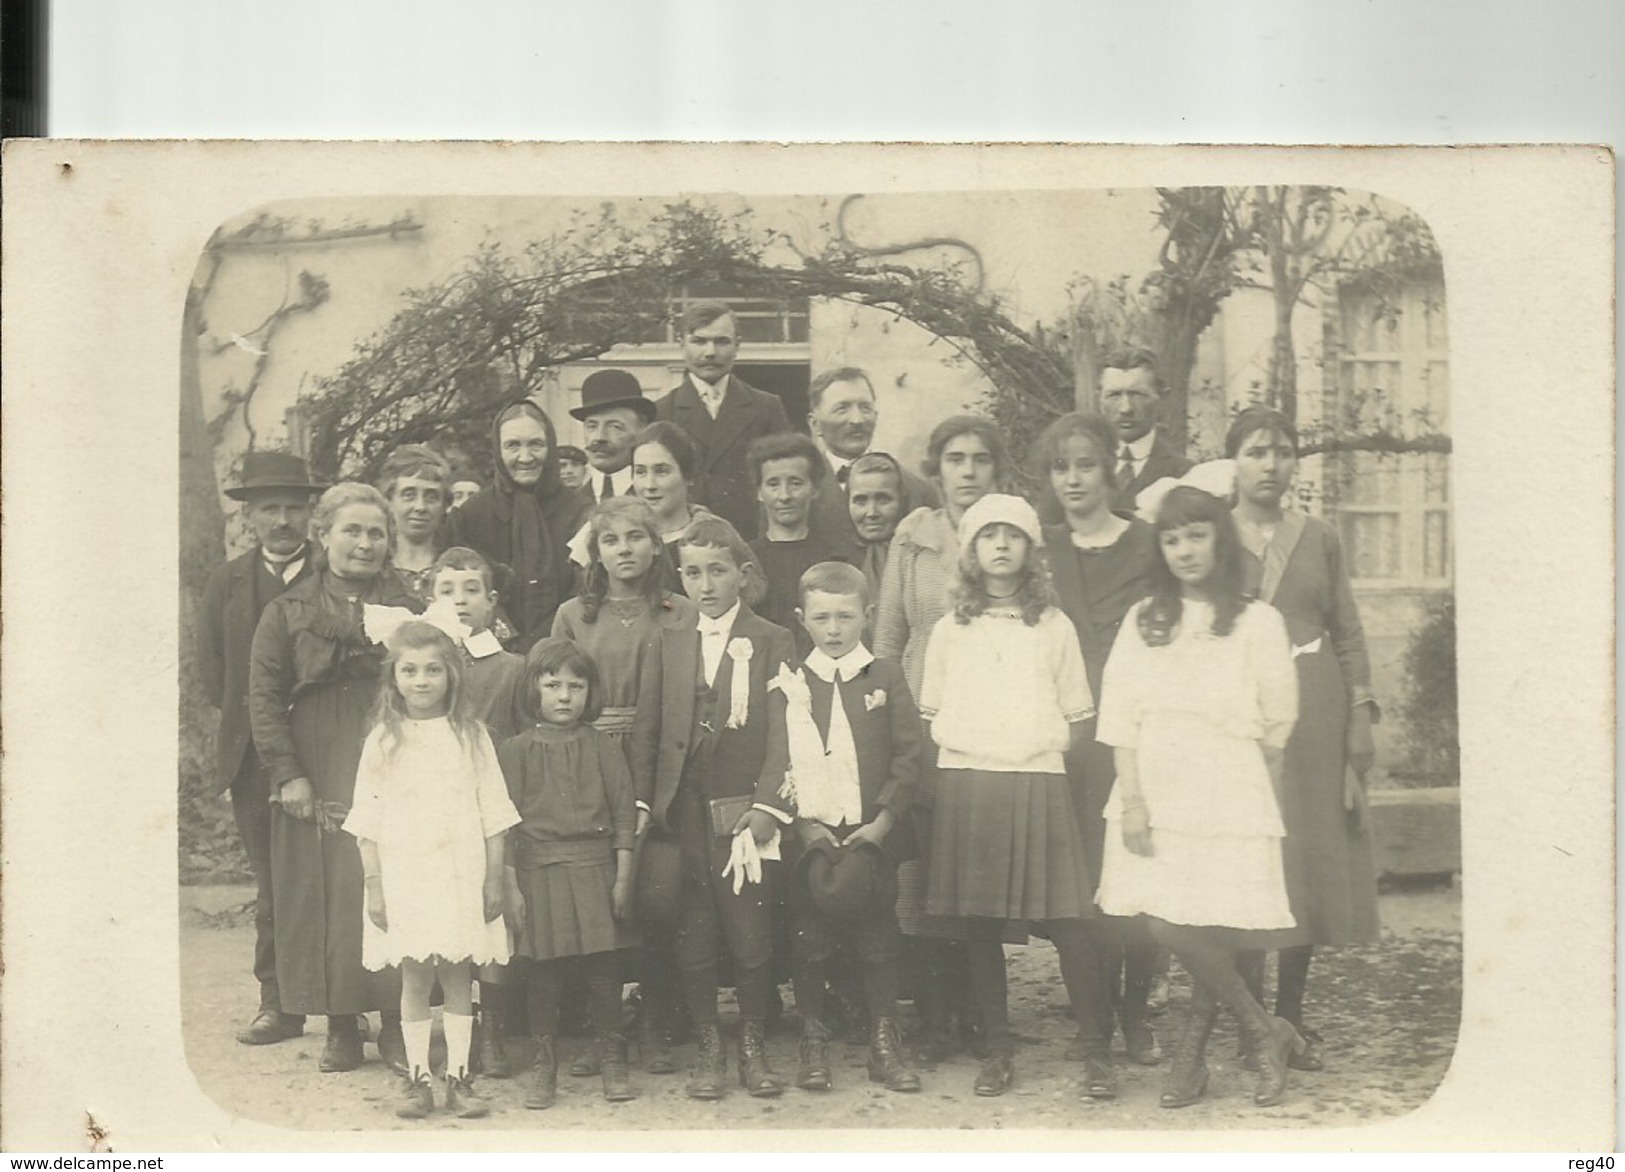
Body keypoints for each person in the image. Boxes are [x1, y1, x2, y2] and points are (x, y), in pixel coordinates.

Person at [1094, 483, 1306, 1110]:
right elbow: (1119, 717)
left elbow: (1278, 724)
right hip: (1155, 789)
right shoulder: (1144, 619)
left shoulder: (1258, 623)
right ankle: (1266, 1032)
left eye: (1196, 534)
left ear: (1219, 538)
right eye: (1171, 537)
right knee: (1167, 919)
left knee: (1219, 924)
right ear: (1160, 548)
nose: (1184, 549)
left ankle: (1190, 1059)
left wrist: (1243, 795)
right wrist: (1132, 801)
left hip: (1231, 791)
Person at [918, 494, 1112, 1098]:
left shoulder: (1054, 625)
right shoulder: (951, 628)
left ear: (1032, 549)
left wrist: (1033, 747)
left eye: (1014, 535)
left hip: (1038, 779)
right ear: (971, 551)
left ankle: (1097, 1049)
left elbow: (1078, 712)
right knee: (979, 921)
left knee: (1069, 918)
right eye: (987, 535)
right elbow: (934, 710)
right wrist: (982, 745)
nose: (1000, 545)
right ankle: (997, 1046)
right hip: (970, 780)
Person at [1227, 406, 1381, 1072]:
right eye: (1256, 451)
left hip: (1313, 714)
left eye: (1282, 452)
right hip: (1238, 717)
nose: (1270, 464)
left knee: (1302, 866)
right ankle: (1246, 1021)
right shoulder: (1208, 533)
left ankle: (1288, 1018)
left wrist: (1358, 721)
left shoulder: (1317, 536)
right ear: (1232, 459)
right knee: (1247, 860)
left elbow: (1345, 631)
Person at [248, 482, 421, 1073]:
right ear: (323, 535)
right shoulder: (287, 610)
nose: (365, 543)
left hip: (393, 750)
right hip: (318, 757)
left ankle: (400, 1022)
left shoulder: (411, 606)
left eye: (377, 532)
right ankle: (341, 1026)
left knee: (395, 885)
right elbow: (264, 698)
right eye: (352, 530)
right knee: (328, 892)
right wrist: (289, 775)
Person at [628, 515, 796, 1101]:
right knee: (692, 931)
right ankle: (707, 1044)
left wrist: (771, 805)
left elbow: (786, 732)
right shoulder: (666, 639)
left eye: (718, 571)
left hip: (743, 814)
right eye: (693, 572)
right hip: (682, 815)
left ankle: (751, 1043)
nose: (705, 585)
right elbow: (648, 731)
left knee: (750, 932)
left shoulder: (772, 638)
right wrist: (646, 804)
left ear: (743, 575)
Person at [873, 414, 1014, 1062]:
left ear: (994, 470)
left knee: (976, 867)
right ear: (936, 470)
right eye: (953, 458)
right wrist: (891, 719)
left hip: (988, 719)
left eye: (978, 459)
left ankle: (983, 1017)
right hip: (922, 717)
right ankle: (933, 1018)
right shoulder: (913, 535)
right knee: (924, 871)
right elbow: (889, 635)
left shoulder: (1012, 533)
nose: (965, 471)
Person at [344, 619, 521, 1119]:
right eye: (410, 671)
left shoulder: (472, 736)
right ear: (393, 678)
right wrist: (375, 886)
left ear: (452, 676)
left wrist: (493, 876)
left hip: (462, 873)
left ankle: (460, 1080)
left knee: (460, 974)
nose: (421, 681)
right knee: (416, 977)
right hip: (407, 877)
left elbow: (495, 814)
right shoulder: (383, 740)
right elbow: (367, 821)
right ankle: (419, 1080)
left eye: (432, 670)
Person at [550, 497, 699, 1077]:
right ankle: (605, 1031)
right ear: (596, 550)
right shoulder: (574, 614)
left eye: (636, 537)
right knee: (597, 899)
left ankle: (657, 1023)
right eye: (611, 540)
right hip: (591, 760)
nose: (625, 550)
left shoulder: (678, 611)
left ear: (656, 544)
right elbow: (557, 685)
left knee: (656, 894)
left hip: (662, 762)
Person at [763, 561, 924, 1095]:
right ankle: (814, 1040)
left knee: (878, 935)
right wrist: (803, 826)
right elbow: (779, 756)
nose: (834, 629)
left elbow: (907, 755)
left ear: (867, 617)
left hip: (869, 829)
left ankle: (884, 1041)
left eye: (846, 617)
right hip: (812, 832)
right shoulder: (792, 680)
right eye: (822, 617)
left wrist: (883, 821)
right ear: (802, 620)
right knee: (810, 939)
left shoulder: (884, 676)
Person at [1035, 413, 1164, 1069]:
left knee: (1137, 873)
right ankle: (1091, 1025)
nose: (1074, 478)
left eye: (1085, 464)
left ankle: (1136, 1013)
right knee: (1077, 885)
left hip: (1137, 731)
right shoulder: (1040, 545)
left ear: (1110, 469)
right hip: (1067, 736)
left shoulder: (1146, 543)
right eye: (1061, 467)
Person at [199, 450, 325, 1046]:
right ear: (249, 516)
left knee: (342, 876)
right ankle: (278, 1004)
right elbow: (211, 671)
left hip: (329, 749)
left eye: (293, 508)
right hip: (253, 756)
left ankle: (357, 1005)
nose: (282, 520)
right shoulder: (226, 582)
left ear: (311, 513)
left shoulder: (333, 572)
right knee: (273, 884)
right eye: (270, 508)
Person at [499, 639, 640, 1109]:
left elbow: (623, 815)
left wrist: (622, 877)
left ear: (589, 692)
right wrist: (511, 886)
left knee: (604, 968)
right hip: (539, 871)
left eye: (575, 686)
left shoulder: (602, 746)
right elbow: (506, 824)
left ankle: (612, 1054)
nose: (564, 696)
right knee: (544, 972)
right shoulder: (515, 751)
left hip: (596, 867)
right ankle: (545, 1061)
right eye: (552, 684)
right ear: (533, 689)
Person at [426, 546, 528, 1076]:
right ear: (429, 600)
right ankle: (430, 1028)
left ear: (492, 602)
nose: (459, 601)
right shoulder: (422, 668)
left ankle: (493, 1030)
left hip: (489, 811)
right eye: (446, 591)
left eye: (471, 590)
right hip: (434, 817)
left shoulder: (511, 667)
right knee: (440, 915)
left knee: (491, 921)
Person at [449, 400, 588, 651]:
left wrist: (547, 645)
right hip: (491, 653)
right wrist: (510, 644)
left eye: (536, 444)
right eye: (513, 445)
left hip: (562, 653)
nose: (525, 458)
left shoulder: (581, 513)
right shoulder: (471, 515)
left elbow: (581, 591)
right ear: (498, 450)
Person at [653, 301, 792, 541]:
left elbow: (785, 477)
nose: (710, 352)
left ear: (737, 346)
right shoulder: (663, 411)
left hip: (751, 538)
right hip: (684, 542)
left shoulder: (766, 407)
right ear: (681, 345)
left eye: (721, 341)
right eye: (699, 341)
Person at [745, 431, 861, 656]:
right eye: (773, 484)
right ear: (759, 492)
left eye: (795, 483)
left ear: (815, 489)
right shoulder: (747, 559)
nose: (785, 495)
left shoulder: (838, 558)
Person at [805, 366, 940, 544]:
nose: (857, 420)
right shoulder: (799, 490)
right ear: (815, 424)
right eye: (842, 409)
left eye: (865, 408)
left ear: (876, 416)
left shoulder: (917, 490)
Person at [1099, 349, 1193, 512]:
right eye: (1114, 395)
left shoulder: (1185, 474)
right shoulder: (1078, 470)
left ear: (1162, 399)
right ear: (1099, 400)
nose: (1125, 408)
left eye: (1137, 395)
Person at [629, 421, 717, 594]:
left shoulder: (715, 534)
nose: (649, 485)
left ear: (689, 475)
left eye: (661, 471)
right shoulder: (613, 533)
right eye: (640, 472)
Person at [377, 444, 454, 602]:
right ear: (389, 501)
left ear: (444, 505)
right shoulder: (372, 568)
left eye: (431, 496)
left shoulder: (459, 566)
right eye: (409, 495)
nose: (420, 507)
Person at [570, 368, 654, 504]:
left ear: (642, 430)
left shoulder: (656, 501)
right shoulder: (568, 507)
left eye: (615, 427)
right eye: (592, 426)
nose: (599, 437)